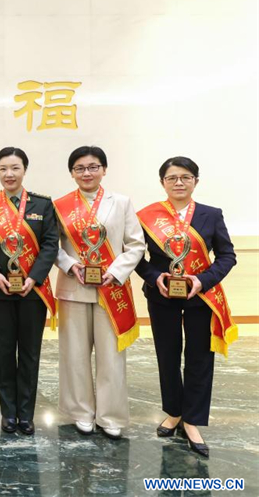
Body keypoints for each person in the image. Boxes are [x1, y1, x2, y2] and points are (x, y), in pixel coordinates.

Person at [136, 156, 237, 457]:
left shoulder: (211, 214)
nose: (179, 182)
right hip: (162, 296)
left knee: (199, 358)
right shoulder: (146, 216)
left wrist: (202, 280)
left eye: (185, 177)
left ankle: (192, 419)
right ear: (162, 182)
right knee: (167, 355)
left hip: (200, 298)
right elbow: (136, 257)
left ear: (195, 181)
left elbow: (227, 256)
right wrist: (156, 278)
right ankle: (173, 412)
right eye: (172, 178)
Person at [53, 146, 145, 440]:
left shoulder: (122, 202)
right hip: (73, 288)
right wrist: (70, 265)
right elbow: (51, 248)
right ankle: (80, 412)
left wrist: (115, 272)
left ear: (104, 170)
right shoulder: (60, 205)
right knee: (74, 354)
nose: (87, 173)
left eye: (93, 167)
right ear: (72, 173)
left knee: (111, 356)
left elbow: (136, 245)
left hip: (111, 290)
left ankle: (111, 415)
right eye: (79, 168)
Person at [0, 147, 59, 435]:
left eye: (14, 168)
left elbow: (50, 245)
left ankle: (26, 413)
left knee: (29, 353)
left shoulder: (42, 205)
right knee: (2, 352)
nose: (9, 174)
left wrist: (34, 278)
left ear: (25, 169)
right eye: (3, 168)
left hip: (31, 291)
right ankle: (7, 412)